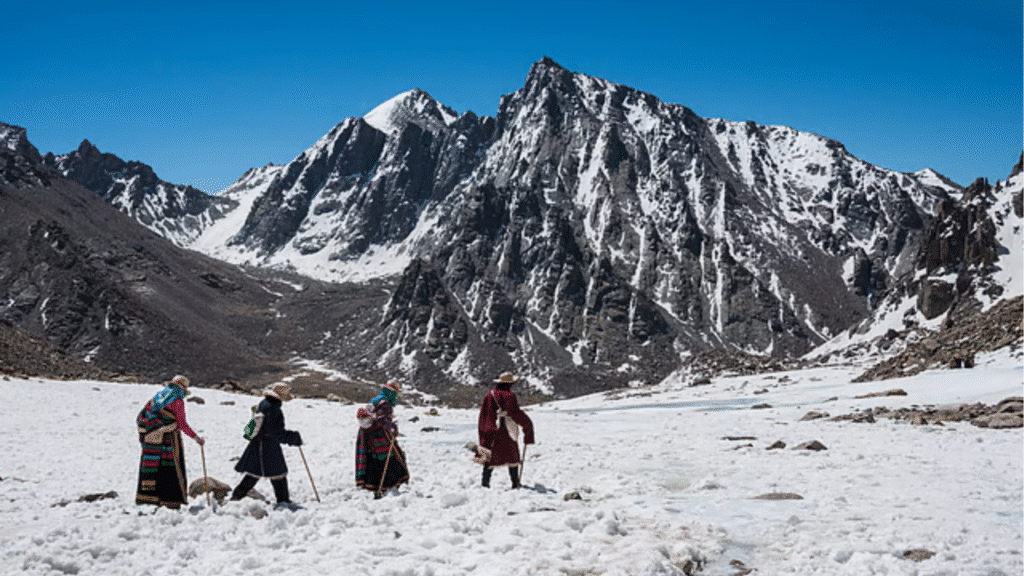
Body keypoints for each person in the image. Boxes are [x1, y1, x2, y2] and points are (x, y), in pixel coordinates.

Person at [230, 383, 303, 510]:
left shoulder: (264, 403)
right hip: (268, 446)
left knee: (255, 473)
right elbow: (276, 432)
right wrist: (292, 438)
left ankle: (237, 496)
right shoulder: (273, 409)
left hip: (258, 444)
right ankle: (283, 500)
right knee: (278, 473)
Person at [135, 375, 205, 508]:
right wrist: (196, 438)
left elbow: (143, 416)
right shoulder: (178, 402)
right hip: (169, 440)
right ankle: (170, 500)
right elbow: (182, 424)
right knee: (170, 467)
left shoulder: (156, 398)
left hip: (152, 439)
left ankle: (148, 498)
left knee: (155, 466)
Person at [477, 372, 535, 489]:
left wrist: (486, 430)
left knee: (490, 457)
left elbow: (484, 414)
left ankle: (485, 483)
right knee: (512, 455)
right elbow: (515, 413)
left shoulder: (490, 395)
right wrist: (528, 427)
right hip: (506, 430)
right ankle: (515, 483)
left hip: (492, 431)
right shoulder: (509, 396)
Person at [355, 381, 409, 498]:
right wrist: (393, 428)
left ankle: (374, 485)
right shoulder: (386, 404)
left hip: (367, 433)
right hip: (379, 435)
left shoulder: (377, 400)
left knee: (373, 460)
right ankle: (386, 486)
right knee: (392, 459)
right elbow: (383, 422)